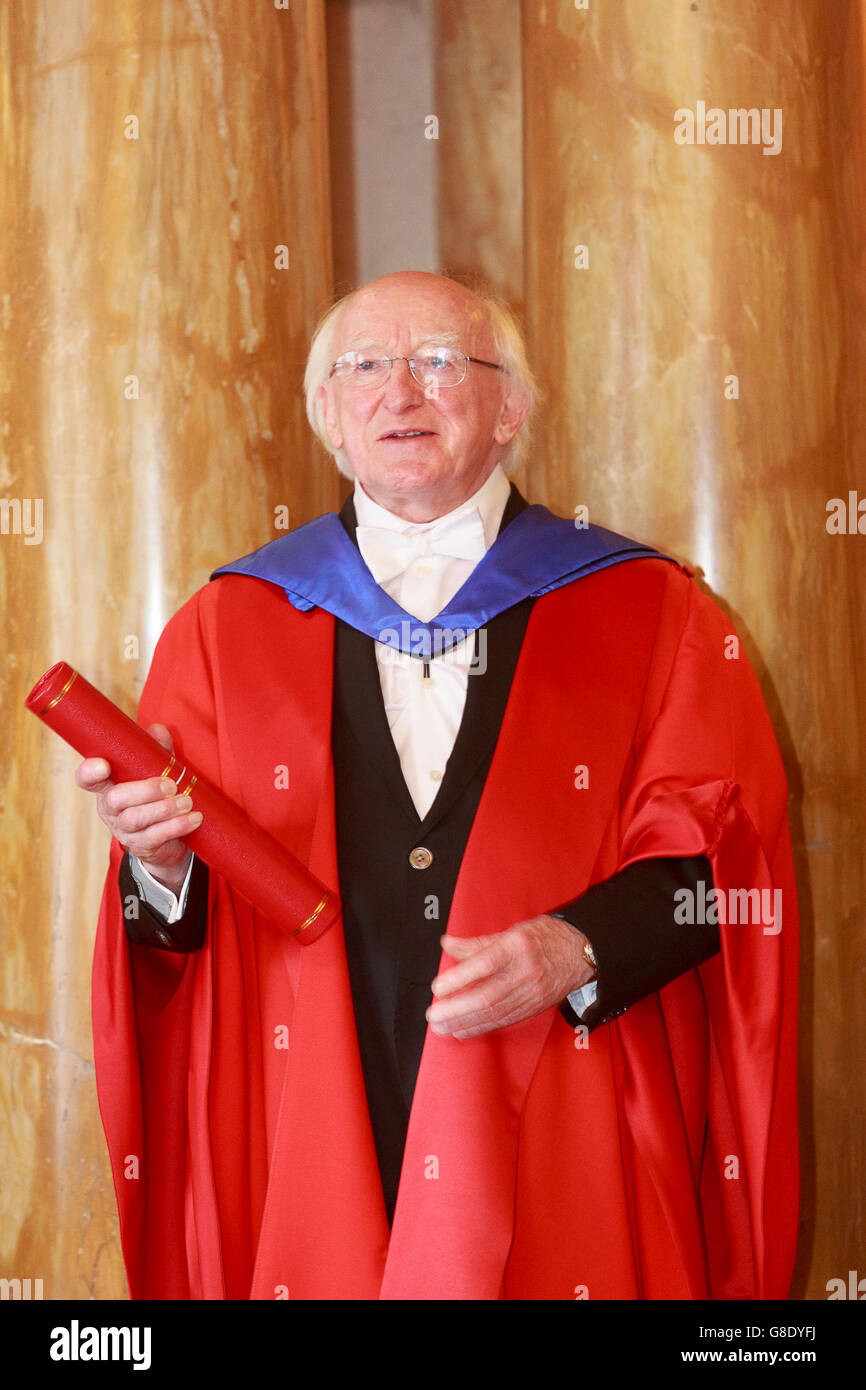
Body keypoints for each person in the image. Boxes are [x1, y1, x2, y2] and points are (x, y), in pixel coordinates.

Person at [78, 270, 798, 1300]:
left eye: (438, 362)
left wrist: (578, 946)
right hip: (314, 1116)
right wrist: (156, 863)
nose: (397, 393)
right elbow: (174, 943)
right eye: (362, 367)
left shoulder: (651, 612)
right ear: (327, 416)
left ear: (509, 409)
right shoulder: (222, 627)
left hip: (559, 1096)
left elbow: (723, 868)